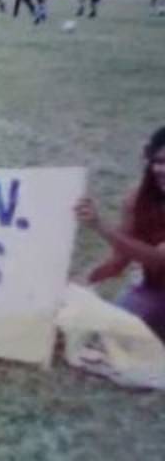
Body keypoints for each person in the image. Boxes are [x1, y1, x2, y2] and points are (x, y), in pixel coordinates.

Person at [74, 126, 165, 343]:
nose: (163, 169)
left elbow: (158, 260)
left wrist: (100, 226)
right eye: (159, 161)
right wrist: (82, 281)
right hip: (156, 289)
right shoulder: (137, 200)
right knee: (107, 332)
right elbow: (119, 260)